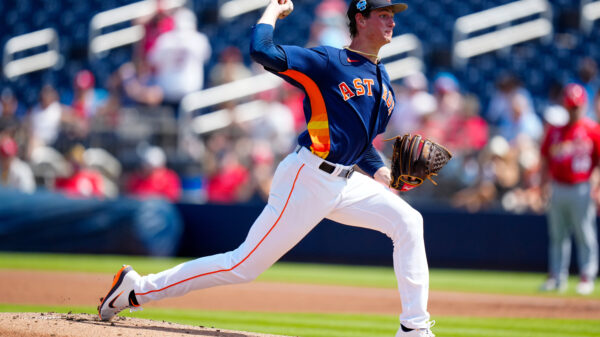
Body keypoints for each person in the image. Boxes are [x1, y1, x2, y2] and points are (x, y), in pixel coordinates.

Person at [98, 1, 436, 336]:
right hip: (308, 177)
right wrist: (273, 10)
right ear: (360, 20)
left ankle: (414, 329)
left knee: (408, 221)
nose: (392, 22)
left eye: (393, 16)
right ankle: (136, 289)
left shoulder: (383, 78)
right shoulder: (330, 61)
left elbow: (360, 143)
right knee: (242, 265)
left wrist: (383, 174)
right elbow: (262, 50)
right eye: (384, 15)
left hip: (346, 182)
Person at [538, 83, 599, 295]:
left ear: (583, 105)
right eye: (570, 106)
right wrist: (543, 185)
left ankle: (587, 276)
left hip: (582, 186)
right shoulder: (555, 131)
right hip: (558, 186)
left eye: (576, 106)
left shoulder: (592, 130)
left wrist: (597, 186)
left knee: (585, 233)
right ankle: (556, 277)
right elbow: (545, 159)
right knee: (558, 235)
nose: (573, 110)